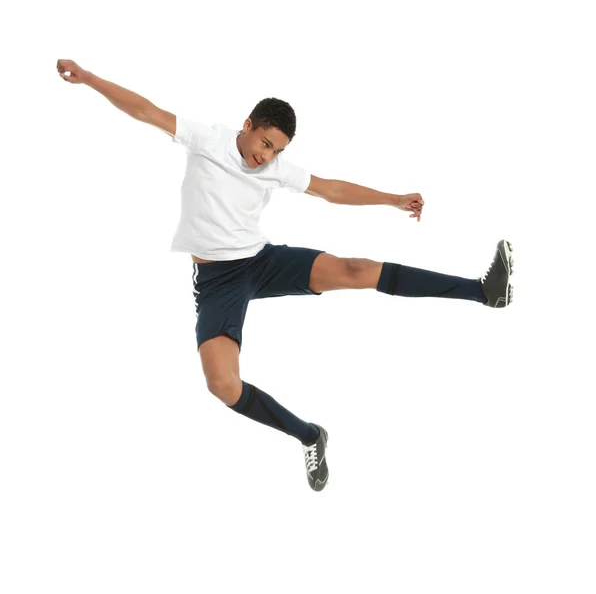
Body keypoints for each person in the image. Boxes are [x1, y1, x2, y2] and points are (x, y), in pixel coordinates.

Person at [56, 59, 514, 492]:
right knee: (221, 384)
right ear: (248, 125)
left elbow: (330, 189)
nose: (266, 156)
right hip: (218, 279)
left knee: (354, 268)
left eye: (277, 150)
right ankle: (310, 435)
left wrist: (392, 199)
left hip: (261, 260)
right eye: (265, 143)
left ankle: (484, 291)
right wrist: (90, 78)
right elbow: (145, 110)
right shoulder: (206, 139)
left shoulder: (275, 168)